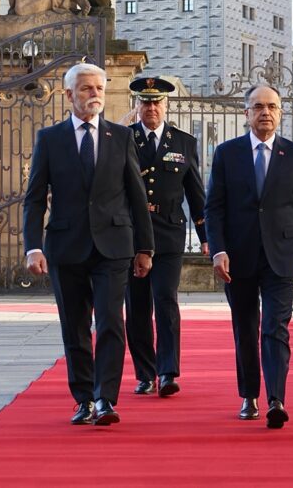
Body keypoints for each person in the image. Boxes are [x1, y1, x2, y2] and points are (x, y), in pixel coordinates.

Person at [22, 63, 154, 425]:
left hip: (114, 245)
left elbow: (136, 195)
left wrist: (145, 248)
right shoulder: (50, 139)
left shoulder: (121, 137)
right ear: (68, 95)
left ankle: (105, 399)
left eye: (99, 87)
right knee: (75, 326)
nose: (94, 94)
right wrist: (33, 246)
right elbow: (34, 198)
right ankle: (82, 398)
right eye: (85, 88)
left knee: (111, 321)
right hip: (66, 246)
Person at [205, 84, 293, 429]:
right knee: (245, 327)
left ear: (280, 113)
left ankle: (276, 399)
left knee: (275, 327)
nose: (265, 112)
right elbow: (214, 208)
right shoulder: (226, 153)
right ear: (246, 113)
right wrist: (218, 249)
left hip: (282, 256)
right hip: (237, 256)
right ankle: (249, 395)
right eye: (258, 107)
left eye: (272, 107)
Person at [125, 76, 206, 397]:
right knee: (138, 306)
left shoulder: (183, 142)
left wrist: (205, 234)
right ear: (137, 105)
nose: (151, 108)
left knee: (167, 301)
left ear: (166, 105)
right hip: (132, 234)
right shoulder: (124, 138)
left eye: (157, 102)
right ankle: (145, 373)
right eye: (145, 102)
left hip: (169, 232)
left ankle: (168, 371)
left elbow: (196, 193)